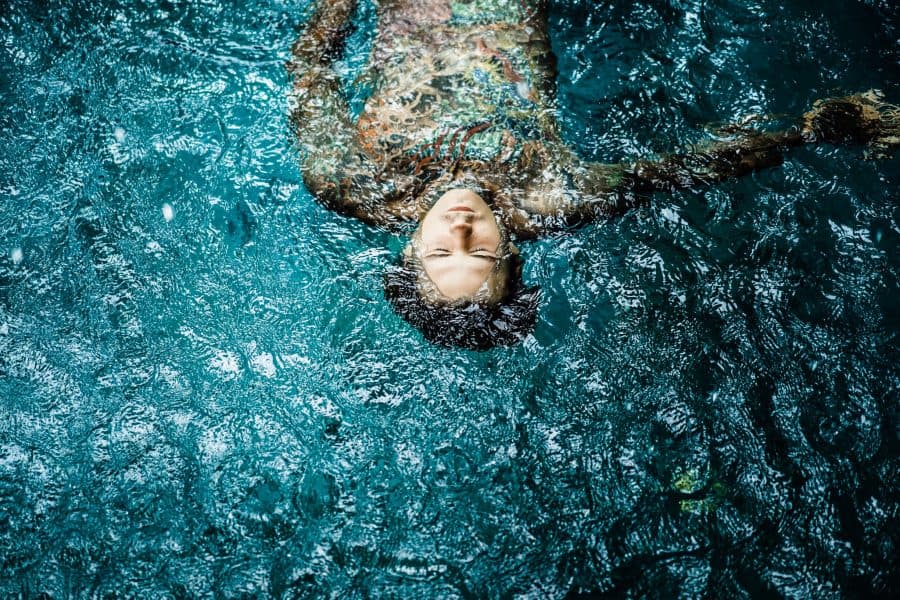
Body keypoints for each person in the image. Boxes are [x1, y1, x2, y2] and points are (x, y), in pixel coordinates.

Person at [288, 0, 899, 350]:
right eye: (479, 251)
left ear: (409, 250)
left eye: (442, 249)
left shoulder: (349, 184)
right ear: (512, 253)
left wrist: (339, 5)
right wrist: (813, 129)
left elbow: (310, 71)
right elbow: (686, 169)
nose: (462, 227)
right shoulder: (552, 196)